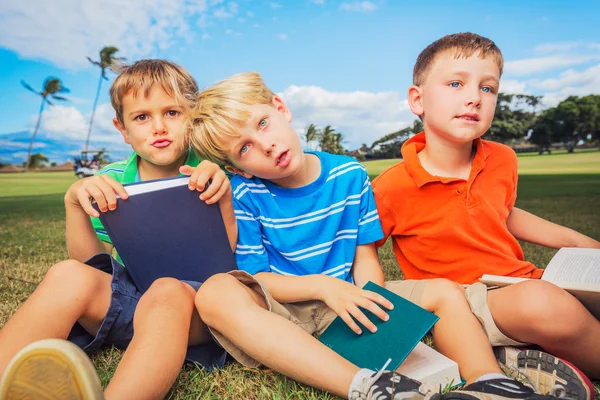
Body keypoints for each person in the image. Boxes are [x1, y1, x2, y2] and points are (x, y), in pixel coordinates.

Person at [185, 71, 562, 400]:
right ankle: (364, 386)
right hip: (289, 309)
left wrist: (373, 303)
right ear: (240, 169)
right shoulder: (247, 194)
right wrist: (323, 287)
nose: (264, 144)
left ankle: (489, 382)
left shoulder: (348, 175)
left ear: (280, 108)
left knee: (444, 290)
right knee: (217, 291)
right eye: (244, 148)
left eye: (262, 123)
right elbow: (260, 277)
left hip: (350, 299)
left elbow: (364, 255)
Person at [371, 32, 600, 400]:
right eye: (456, 83)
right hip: (462, 304)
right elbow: (361, 253)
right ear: (418, 100)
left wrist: (583, 244)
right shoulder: (390, 187)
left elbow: (503, 214)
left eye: (488, 88)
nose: (474, 97)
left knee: (562, 296)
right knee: (546, 305)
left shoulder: (502, 159)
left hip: (517, 283)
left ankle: (524, 354)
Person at [0, 59, 235, 400]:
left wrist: (223, 192)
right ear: (122, 128)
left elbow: (229, 257)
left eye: (172, 112)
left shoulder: (212, 167)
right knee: (67, 274)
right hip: (136, 307)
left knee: (167, 289)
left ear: (193, 116)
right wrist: (74, 205)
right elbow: (93, 264)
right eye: (142, 117)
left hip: (200, 315)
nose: (159, 127)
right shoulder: (114, 179)